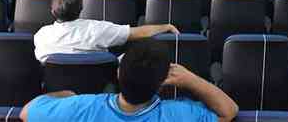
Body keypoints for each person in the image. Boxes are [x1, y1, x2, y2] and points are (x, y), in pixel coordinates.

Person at [21, 38, 239, 122]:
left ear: (118, 74)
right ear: (161, 84)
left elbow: (26, 112)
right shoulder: (178, 115)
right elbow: (228, 111)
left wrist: (66, 96)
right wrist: (191, 79)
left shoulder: (80, 107)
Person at [33, 0, 179, 62]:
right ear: (81, 8)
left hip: (56, 96)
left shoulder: (41, 36)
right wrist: (166, 26)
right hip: (98, 93)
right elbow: (138, 33)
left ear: (53, 11)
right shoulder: (97, 29)